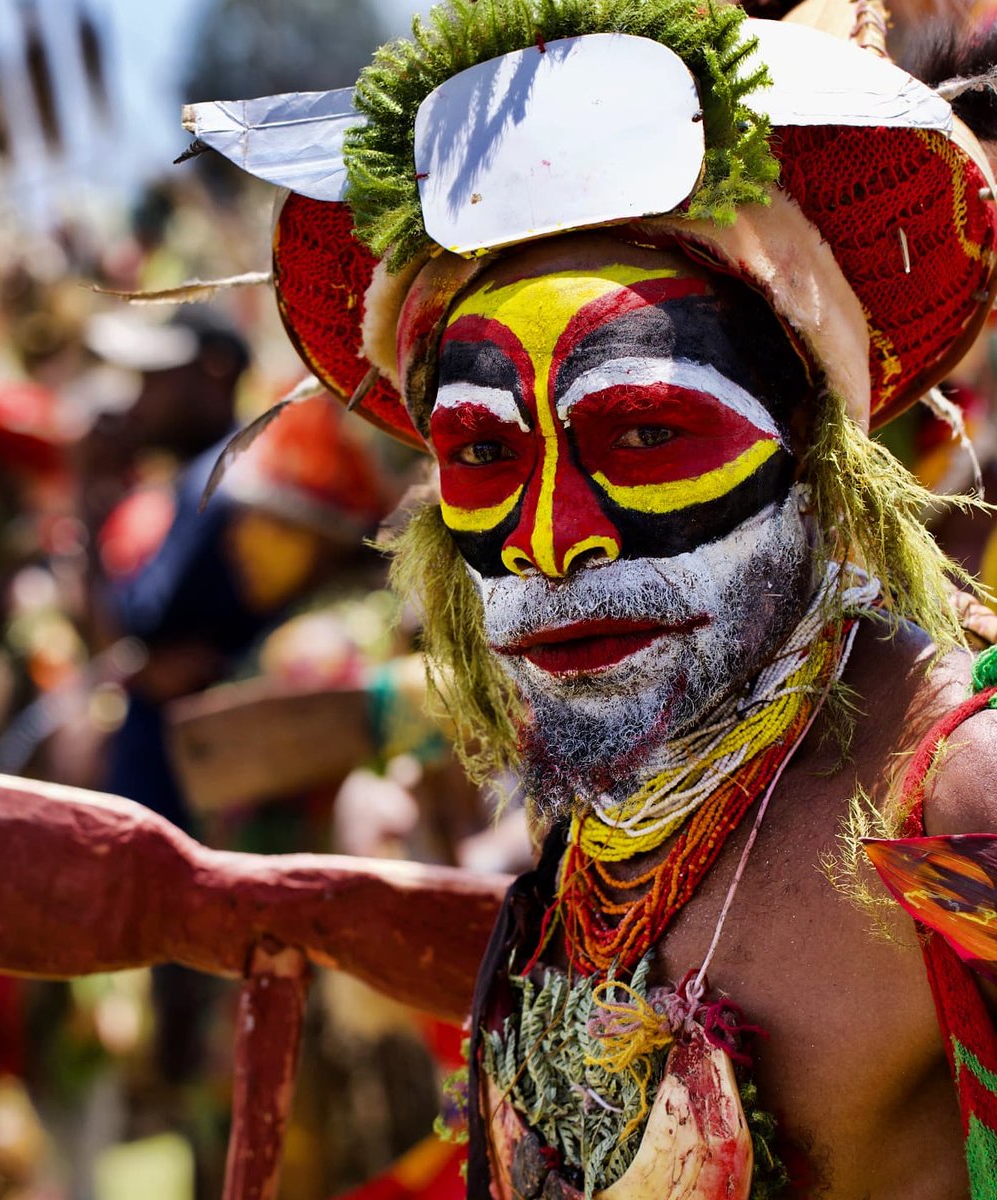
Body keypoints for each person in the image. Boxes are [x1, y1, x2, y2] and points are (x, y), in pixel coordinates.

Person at [175, 0, 997, 1193]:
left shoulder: (958, 801)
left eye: (649, 428)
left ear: (818, 454)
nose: (555, 543)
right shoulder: (596, 827)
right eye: (486, 453)